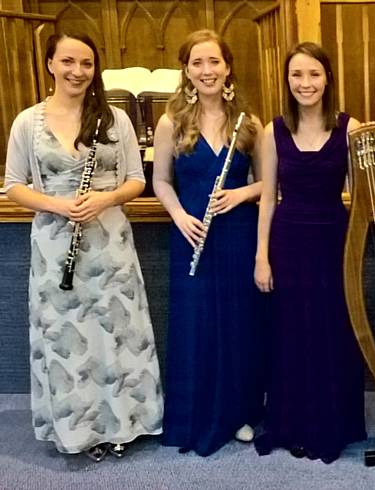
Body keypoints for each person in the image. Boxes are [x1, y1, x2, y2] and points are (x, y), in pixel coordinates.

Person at [3, 32, 163, 462]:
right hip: (56, 244)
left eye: (87, 63)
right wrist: (57, 204)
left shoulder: (114, 120)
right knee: (67, 339)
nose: (78, 71)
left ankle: (124, 426)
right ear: (51, 64)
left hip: (109, 239)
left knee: (116, 332)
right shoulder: (27, 121)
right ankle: (78, 432)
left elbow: (136, 179)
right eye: (68, 61)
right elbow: (13, 186)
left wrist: (106, 198)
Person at [153, 29, 265, 457]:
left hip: (237, 235)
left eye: (214, 62)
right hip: (191, 235)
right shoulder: (171, 122)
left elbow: (269, 185)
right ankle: (195, 414)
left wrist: (241, 194)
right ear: (186, 70)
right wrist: (180, 215)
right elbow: (160, 181)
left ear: (228, 67)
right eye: (197, 63)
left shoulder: (248, 123)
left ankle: (238, 412)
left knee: (238, 326)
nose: (206, 71)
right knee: (196, 325)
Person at [253, 42, 367, 463]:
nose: (305, 83)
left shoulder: (350, 129)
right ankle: (293, 422)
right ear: (287, 80)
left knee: (331, 331)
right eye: (297, 75)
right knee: (291, 333)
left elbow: (363, 195)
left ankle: (332, 423)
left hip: (334, 240)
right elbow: (267, 198)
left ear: (327, 78)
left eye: (314, 74)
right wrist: (261, 257)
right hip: (287, 241)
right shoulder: (273, 130)